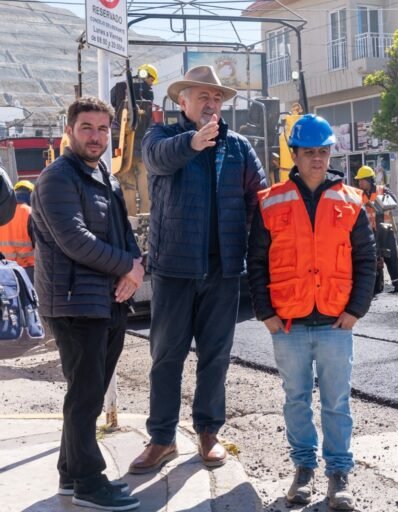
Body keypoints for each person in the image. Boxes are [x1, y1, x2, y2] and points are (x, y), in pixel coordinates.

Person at [129, 65, 267, 474]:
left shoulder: (239, 147)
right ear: (182, 101)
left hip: (223, 270)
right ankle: (162, 438)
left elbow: (258, 201)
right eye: (202, 96)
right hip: (174, 269)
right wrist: (194, 141)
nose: (211, 104)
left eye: (217, 98)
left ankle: (208, 432)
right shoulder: (163, 138)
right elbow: (157, 160)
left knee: (216, 356)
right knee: (166, 356)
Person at [247, 114, 376, 510]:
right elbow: (256, 262)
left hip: (337, 322)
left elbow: (367, 259)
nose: (317, 159)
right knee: (296, 399)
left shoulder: (351, 201)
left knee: (337, 402)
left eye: (323, 151)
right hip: (288, 324)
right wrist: (266, 313)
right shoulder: (270, 202)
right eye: (309, 152)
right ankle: (303, 470)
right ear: (296, 155)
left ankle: (338, 474)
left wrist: (357, 309)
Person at [30, 96, 143, 511]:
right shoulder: (57, 179)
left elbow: (122, 232)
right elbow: (75, 240)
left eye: (102, 129)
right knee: (85, 396)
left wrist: (136, 266)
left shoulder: (104, 177)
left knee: (88, 393)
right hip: (74, 303)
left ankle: (68, 473)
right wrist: (127, 269)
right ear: (70, 131)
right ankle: (90, 482)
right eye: (86, 128)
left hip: (105, 302)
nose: (95, 137)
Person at [354, 165, 398, 293]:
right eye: (358, 180)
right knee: (374, 257)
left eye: (362, 180)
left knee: (391, 255)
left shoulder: (383, 190)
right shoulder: (358, 194)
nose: (359, 183)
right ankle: (376, 286)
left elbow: (394, 201)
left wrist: (379, 202)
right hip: (371, 230)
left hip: (386, 228)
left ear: (370, 180)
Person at [0, 180, 36, 281]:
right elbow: (39, 244)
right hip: (27, 270)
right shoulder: (30, 213)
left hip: (4, 269)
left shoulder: (2, 212)